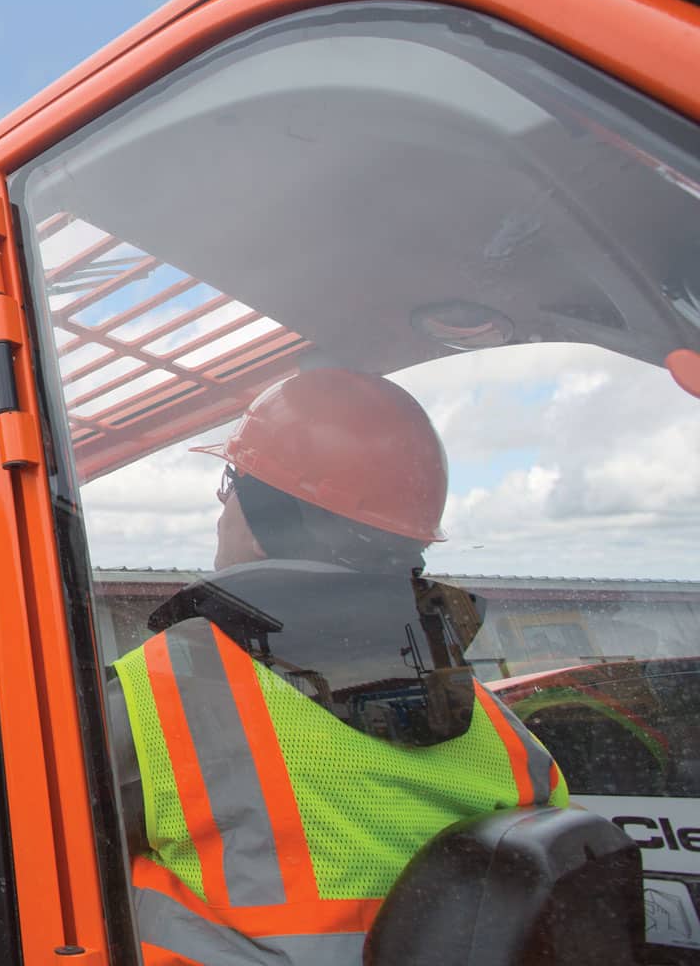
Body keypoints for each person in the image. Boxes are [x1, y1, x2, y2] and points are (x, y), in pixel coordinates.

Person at [109, 368, 568, 966]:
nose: (222, 508)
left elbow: (18, 812)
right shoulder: (501, 731)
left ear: (264, 514)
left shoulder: (168, 686)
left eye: (232, 484)